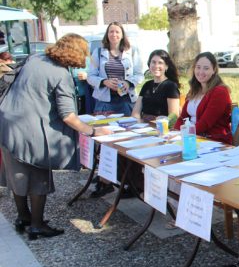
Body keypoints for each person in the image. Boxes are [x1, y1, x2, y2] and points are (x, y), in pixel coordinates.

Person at [0, 34, 112, 239]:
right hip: (32, 131)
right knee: (38, 177)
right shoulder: (61, 74)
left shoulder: (35, 57)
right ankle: (36, 225)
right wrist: (94, 131)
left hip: (7, 123)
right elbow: (68, 116)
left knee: (17, 173)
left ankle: (23, 217)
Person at [174, 52, 232, 144]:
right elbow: (182, 118)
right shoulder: (194, 90)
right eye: (198, 67)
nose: (201, 72)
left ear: (214, 70)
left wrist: (184, 135)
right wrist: (174, 134)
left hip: (213, 141)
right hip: (192, 138)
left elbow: (205, 124)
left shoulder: (220, 92)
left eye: (206, 68)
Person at [87, 21, 143, 116]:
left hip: (127, 101)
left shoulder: (132, 51)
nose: (114, 34)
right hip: (104, 102)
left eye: (117, 32)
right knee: (105, 129)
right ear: (107, 34)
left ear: (122, 35)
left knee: (129, 129)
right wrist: (104, 82)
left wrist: (128, 83)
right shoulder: (98, 52)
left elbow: (139, 75)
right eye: (111, 32)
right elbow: (90, 76)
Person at [131, 49, 180, 119]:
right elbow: (135, 112)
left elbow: (173, 117)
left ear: (166, 66)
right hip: (143, 126)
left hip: (161, 126)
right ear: (149, 64)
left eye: (160, 63)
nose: (156, 66)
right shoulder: (147, 85)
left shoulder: (171, 86)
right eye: (153, 62)